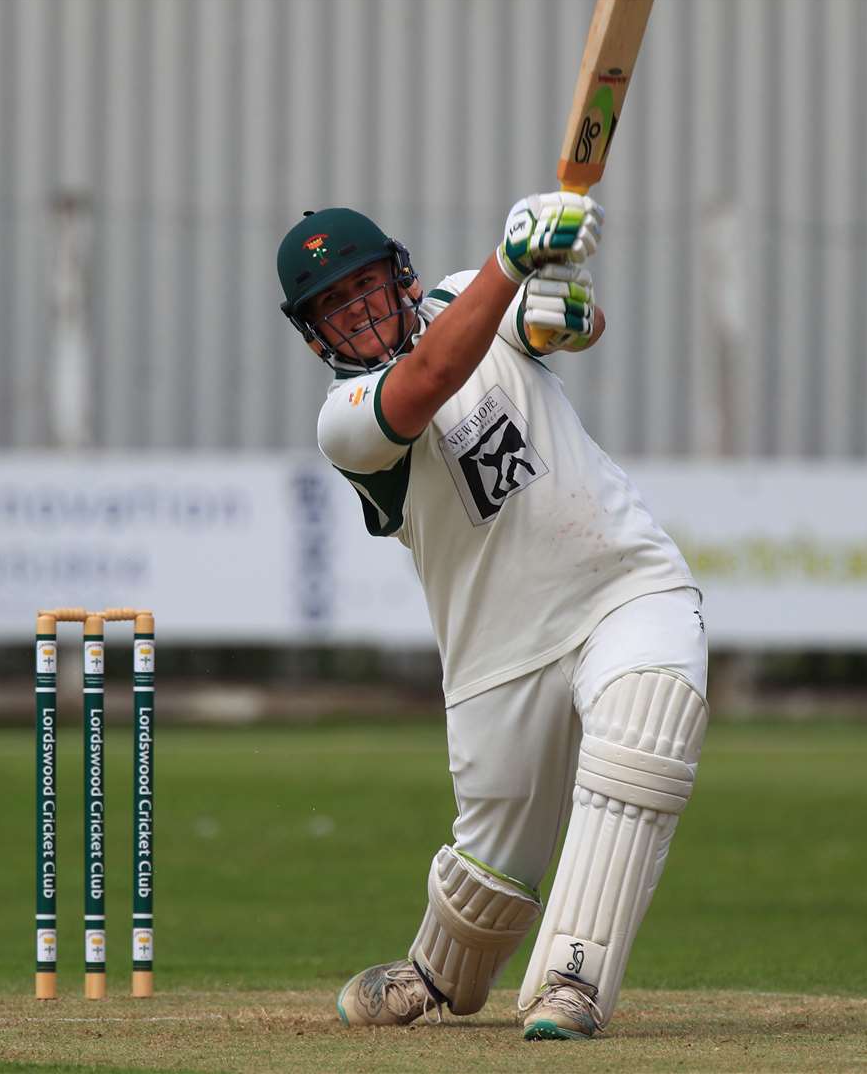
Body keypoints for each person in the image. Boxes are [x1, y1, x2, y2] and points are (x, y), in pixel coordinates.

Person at [275, 195, 709, 1041]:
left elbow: (556, 326)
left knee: (644, 732)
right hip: (496, 654)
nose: (359, 309)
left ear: (398, 275)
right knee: (491, 876)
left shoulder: (457, 296)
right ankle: (438, 972)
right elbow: (433, 374)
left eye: (365, 284)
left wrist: (564, 311)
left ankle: (569, 982)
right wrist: (510, 262)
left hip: (623, 582)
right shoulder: (346, 424)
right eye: (334, 303)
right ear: (314, 333)